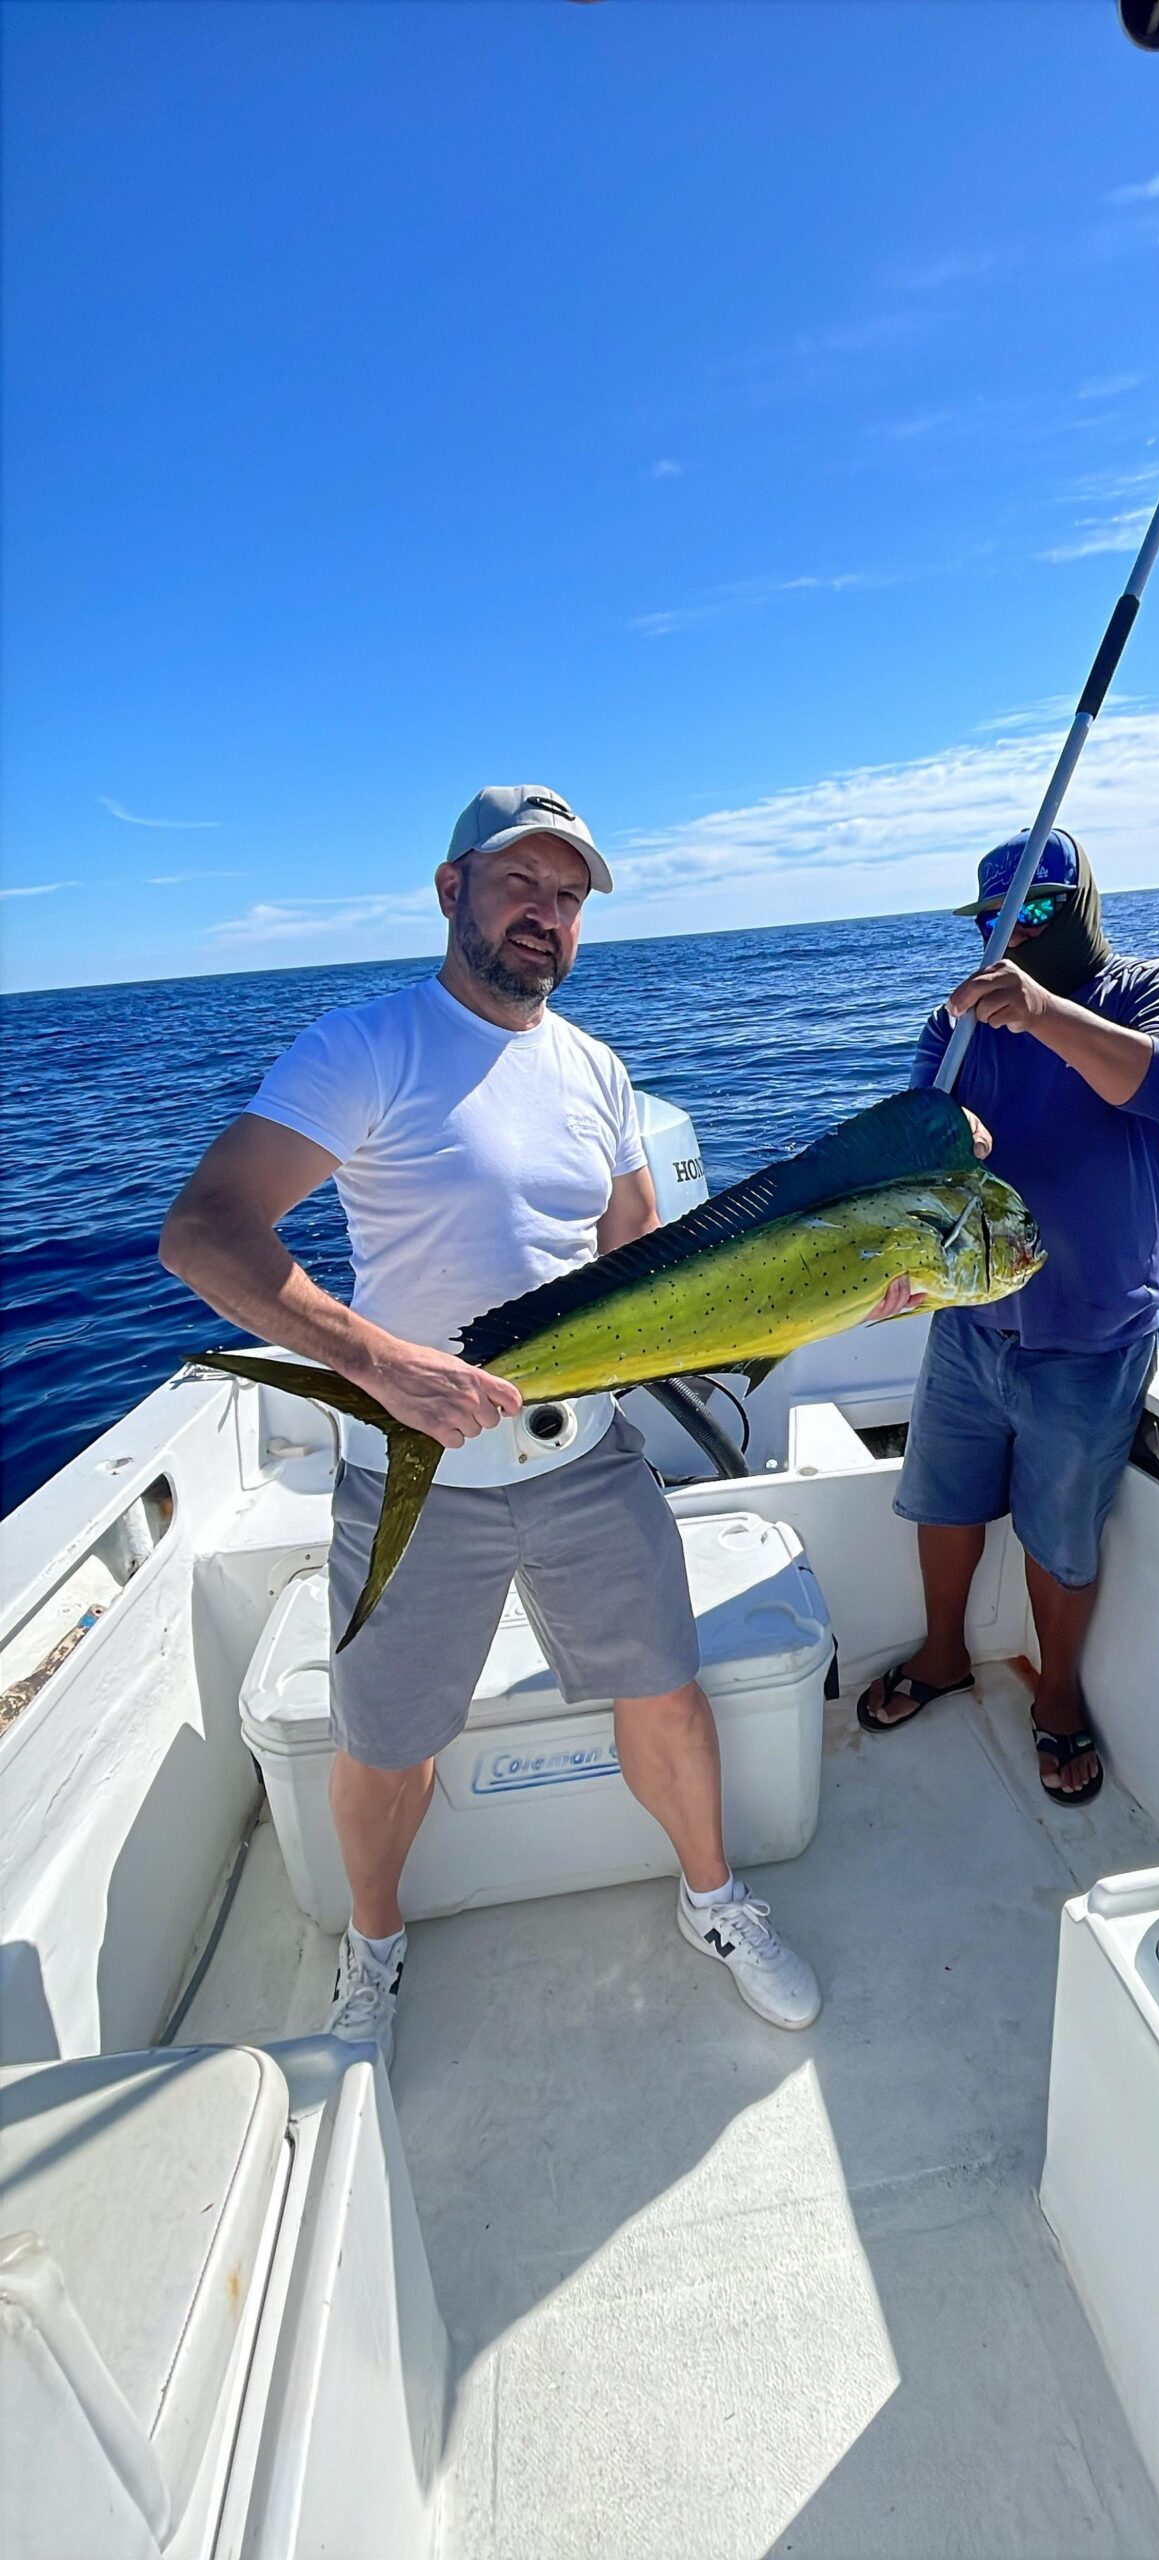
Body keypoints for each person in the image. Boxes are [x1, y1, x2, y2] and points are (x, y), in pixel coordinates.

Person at [160, 784, 823, 2061]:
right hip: (416, 1473)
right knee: (386, 1744)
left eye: (568, 896)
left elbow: (641, 1252)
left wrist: (824, 1290)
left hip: (586, 1460)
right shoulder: (366, 1047)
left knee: (666, 1693)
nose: (547, 913)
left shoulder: (597, 1068)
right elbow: (206, 1229)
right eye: (521, 881)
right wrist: (382, 1366)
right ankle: (373, 1947)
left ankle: (713, 1900)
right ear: (450, 887)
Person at [857, 828, 1159, 1803]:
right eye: (992, 921)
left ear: (1078, 906)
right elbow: (916, 1141)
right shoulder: (959, 1020)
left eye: (1031, 913)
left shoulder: (1149, 988)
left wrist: (1045, 1012)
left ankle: (1057, 1697)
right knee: (941, 1500)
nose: (1008, 936)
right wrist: (940, 1150)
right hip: (969, 1319)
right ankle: (942, 1655)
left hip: (1091, 1339)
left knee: (1062, 1535)